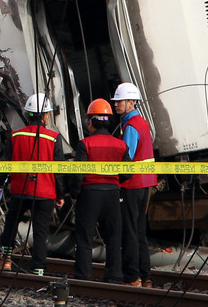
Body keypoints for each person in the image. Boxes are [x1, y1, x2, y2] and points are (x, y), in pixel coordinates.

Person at [0, 93, 66, 276]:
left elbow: (6, 162)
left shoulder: (15, 135)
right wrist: (60, 194)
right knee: (40, 231)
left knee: (11, 224)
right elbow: (58, 170)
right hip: (45, 193)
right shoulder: (54, 138)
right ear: (44, 116)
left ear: (28, 114)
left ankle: (6, 259)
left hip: (20, 190)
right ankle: (38, 269)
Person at [66, 98, 128, 282]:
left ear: (91, 122)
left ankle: (83, 277)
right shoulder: (121, 145)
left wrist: (75, 195)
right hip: (112, 194)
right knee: (114, 238)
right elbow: (127, 173)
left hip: (89, 194)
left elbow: (78, 174)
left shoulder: (85, 144)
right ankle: (114, 277)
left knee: (84, 238)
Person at [113, 82, 157, 288]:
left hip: (132, 185)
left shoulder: (130, 127)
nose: (116, 105)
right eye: (116, 102)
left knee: (129, 231)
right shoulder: (142, 123)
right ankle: (145, 276)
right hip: (146, 183)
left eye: (120, 101)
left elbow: (126, 159)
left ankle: (132, 277)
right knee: (139, 231)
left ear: (132, 102)